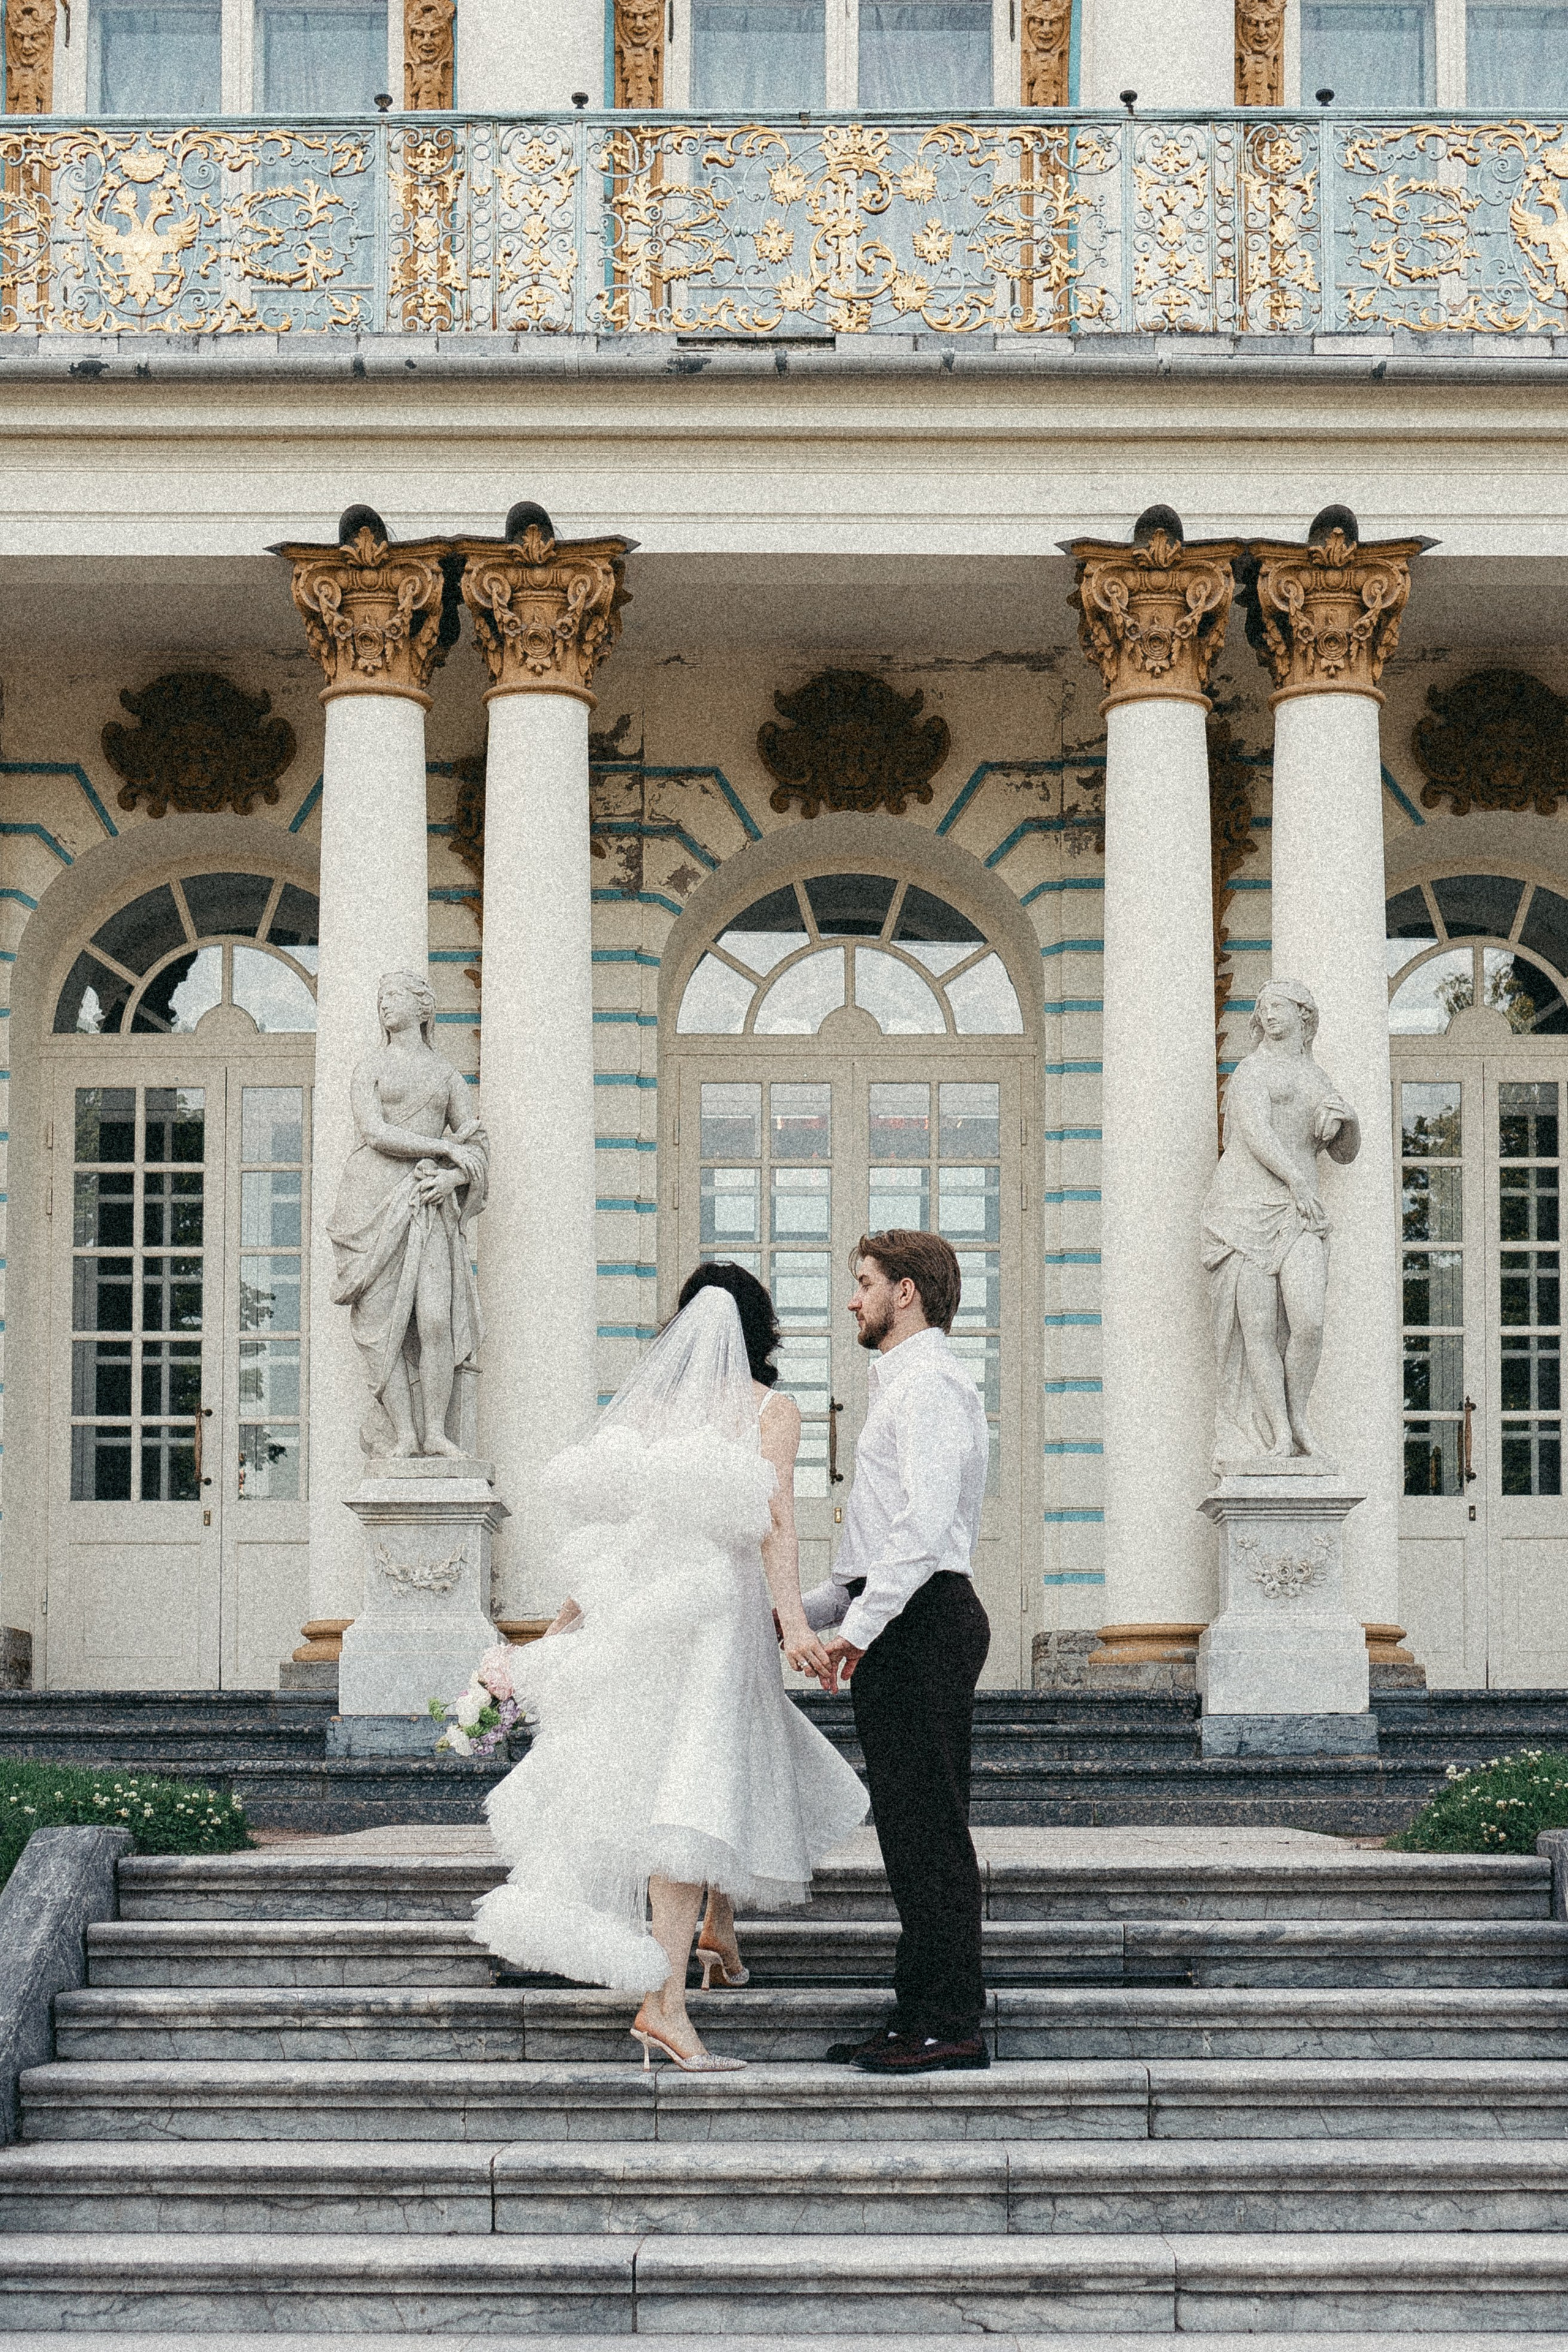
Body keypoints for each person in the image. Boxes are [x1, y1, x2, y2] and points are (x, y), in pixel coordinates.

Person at [470, 1264, 867, 2072]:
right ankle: (665, 2005)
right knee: (692, 1797)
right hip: (717, 1626)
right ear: (763, 1330)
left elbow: (613, 1544)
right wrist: (794, 1624)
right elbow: (777, 1528)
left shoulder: (648, 1411)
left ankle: (716, 1932)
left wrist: (555, 1633)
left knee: (708, 1774)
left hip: (645, 1624)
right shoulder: (770, 1409)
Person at [802, 1229, 992, 2074]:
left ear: (906, 1292)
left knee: (930, 1835)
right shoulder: (904, 1385)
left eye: (865, 1282)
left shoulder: (931, 1387)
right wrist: (795, 1613)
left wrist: (855, 1632)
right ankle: (916, 2010)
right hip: (904, 1617)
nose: (854, 1298)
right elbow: (873, 1549)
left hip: (923, 1622)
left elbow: (919, 1531)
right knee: (910, 1836)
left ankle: (949, 2023)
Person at [1201, 977, 1361, 1473]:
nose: (1268, 1014)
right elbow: (1254, 1133)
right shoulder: (1253, 1070)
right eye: (1263, 1007)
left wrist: (1350, 1121)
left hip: (1298, 1211)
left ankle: (1299, 1416)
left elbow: (1343, 1153)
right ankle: (1278, 1435)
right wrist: (1297, 1180)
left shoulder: (1318, 1078)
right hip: (1245, 1208)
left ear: (1303, 1015)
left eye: (1278, 1006)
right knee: (1259, 1330)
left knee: (1309, 1320)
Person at [327, 970, 488, 1460]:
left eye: (394, 996)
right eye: (381, 998)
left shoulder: (446, 1076)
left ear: (424, 1008)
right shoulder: (369, 1068)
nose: (385, 1004)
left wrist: (452, 1179)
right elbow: (374, 1133)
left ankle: (436, 1431)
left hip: (427, 1201)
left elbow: (477, 1147)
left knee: (435, 1320)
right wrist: (443, 1149)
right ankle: (404, 1434)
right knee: (382, 1328)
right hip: (370, 1201)